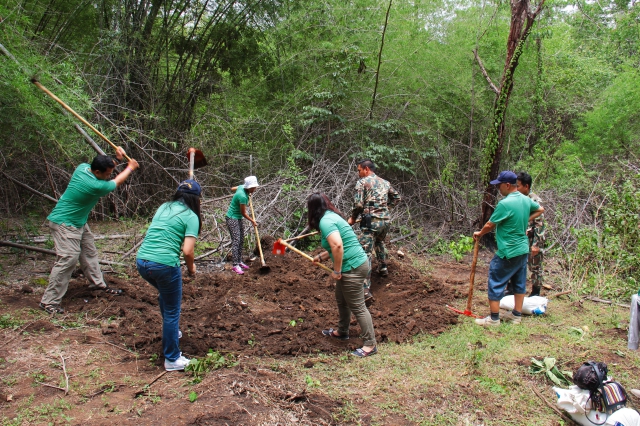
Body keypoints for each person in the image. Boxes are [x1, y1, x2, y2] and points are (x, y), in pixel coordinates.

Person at [40, 148, 138, 314]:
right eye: (107, 174)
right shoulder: (95, 185)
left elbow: (106, 168)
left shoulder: (83, 168)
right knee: (68, 259)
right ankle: (49, 301)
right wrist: (130, 167)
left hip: (78, 221)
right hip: (64, 223)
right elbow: (117, 181)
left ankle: (97, 285)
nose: (109, 176)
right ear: (97, 172)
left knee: (89, 252)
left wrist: (117, 159)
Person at [136, 179, 202, 371]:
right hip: (164, 266)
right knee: (173, 310)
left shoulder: (164, 207)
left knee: (165, 297)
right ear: (197, 199)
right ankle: (172, 359)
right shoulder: (191, 216)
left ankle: (172, 332)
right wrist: (192, 269)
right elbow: (188, 251)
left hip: (142, 262)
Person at [309, 193, 377, 357]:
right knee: (341, 299)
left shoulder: (326, 221)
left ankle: (370, 344)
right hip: (354, 263)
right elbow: (340, 244)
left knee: (358, 306)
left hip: (352, 267)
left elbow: (338, 246)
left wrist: (337, 271)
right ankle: (342, 331)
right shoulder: (331, 216)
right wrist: (321, 257)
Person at [473, 171, 544, 326]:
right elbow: (540, 209)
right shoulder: (525, 200)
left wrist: (480, 233)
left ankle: (493, 319)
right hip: (523, 249)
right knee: (519, 282)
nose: (498, 188)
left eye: (499, 185)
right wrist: (526, 218)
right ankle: (516, 316)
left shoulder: (505, 204)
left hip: (508, 250)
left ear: (507, 185)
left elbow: (490, 224)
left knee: (495, 279)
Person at [347, 159, 401, 302]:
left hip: (371, 222)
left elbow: (358, 205)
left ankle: (365, 290)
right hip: (385, 221)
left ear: (366, 169)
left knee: (364, 254)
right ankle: (383, 268)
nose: (358, 173)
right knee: (379, 241)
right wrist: (384, 209)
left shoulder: (362, 182)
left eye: (359, 170)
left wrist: (352, 218)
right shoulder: (385, 182)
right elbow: (397, 198)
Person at [226, 176, 259, 275]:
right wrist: (252, 221)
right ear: (249, 187)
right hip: (232, 218)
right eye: (253, 187)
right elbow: (243, 213)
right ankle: (235, 265)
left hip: (238, 217)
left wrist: (247, 193)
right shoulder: (243, 197)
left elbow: (233, 188)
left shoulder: (241, 187)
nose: (255, 189)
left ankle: (239, 261)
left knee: (241, 239)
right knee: (236, 240)